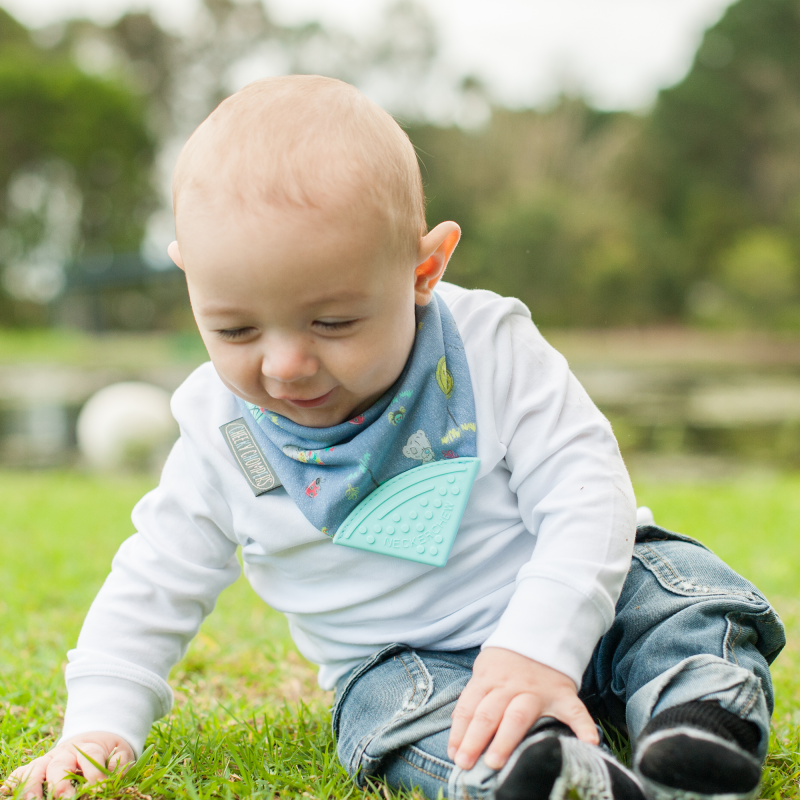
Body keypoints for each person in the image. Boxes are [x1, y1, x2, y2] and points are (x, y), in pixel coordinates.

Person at [4, 76, 784, 800]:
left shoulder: (489, 347)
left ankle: (699, 721)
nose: (285, 365)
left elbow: (586, 494)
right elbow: (156, 576)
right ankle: (545, 769)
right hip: (408, 664)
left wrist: (538, 646)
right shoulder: (222, 431)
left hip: (584, 601)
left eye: (333, 321)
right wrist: (99, 722)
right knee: (391, 713)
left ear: (423, 269)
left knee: (676, 585)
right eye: (234, 327)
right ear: (190, 280)